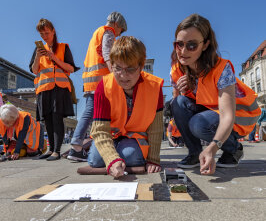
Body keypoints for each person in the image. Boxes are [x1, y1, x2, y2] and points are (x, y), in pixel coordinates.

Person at [170, 14, 261, 175]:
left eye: (191, 45)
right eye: (179, 44)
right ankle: (194, 153)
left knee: (198, 123)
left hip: (240, 114)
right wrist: (185, 92)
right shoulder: (177, 69)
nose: (183, 51)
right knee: (177, 103)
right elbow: (180, 108)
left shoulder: (221, 68)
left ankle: (233, 149)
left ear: (205, 45)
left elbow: (227, 115)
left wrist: (212, 149)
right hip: (211, 113)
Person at [88, 36, 164, 178]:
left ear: (141, 66)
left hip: (135, 139)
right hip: (110, 136)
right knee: (96, 160)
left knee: (131, 156)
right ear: (112, 65)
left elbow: (156, 128)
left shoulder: (155, 87)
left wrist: (153, 160)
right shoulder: (103, 86)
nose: (123, 75)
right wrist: (112, 160)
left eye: (130, 69)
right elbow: (100, 129)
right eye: (118, 68)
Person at [67, 12, 128, 162]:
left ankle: (84, 145)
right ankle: (76, 146)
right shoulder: (108, 32)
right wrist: (115, 73)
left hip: (90, 79)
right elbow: (107, 54)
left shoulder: (97, 32)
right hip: (99, 80)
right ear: (116, 24)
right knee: (91, 112)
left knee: (94, 113)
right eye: (121, 30)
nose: (119, 34)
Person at [30, 18, 79, 161]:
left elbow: (71, 68)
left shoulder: (63, 47)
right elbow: (34, 70)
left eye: (46, 33)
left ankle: (56, 151)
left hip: (59, 88)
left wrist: (54, 58)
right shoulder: (39, 50)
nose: (44, 36)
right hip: (44, 88)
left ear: (53, 31)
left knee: (57, 118)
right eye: (41, 34)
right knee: (47, 119)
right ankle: (50, 149)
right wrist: (38, 57)